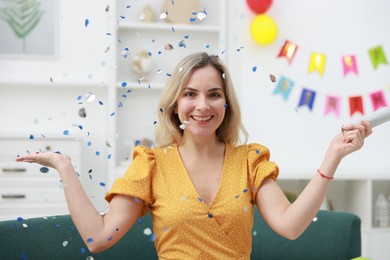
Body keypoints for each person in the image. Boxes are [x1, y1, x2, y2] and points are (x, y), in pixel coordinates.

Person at [16, 52, 372, 259]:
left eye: (214, 94)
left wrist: (333, 156)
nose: (202, 106)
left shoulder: (250, 160)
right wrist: (65, 168)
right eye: (191, 94)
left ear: (226, 103)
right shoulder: (151, 164)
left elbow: (291, 226)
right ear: (175, 104)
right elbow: (98, 238)